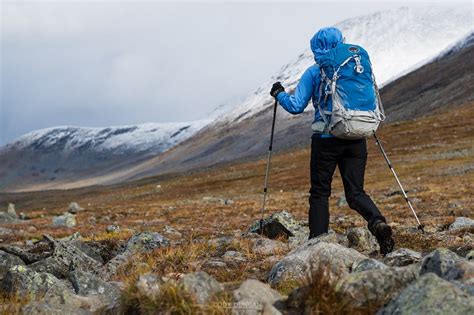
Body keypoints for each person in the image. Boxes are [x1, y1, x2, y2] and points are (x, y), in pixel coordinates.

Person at [269, 27, 395, 255]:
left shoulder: (314, 72)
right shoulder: (356, 68)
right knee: (356, 192)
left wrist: (279, 93)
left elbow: (296, 106)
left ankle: (317, 244)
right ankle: (378, 223)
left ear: (316, 48)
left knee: (320, 193)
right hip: (357, 136)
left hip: (326, 140)